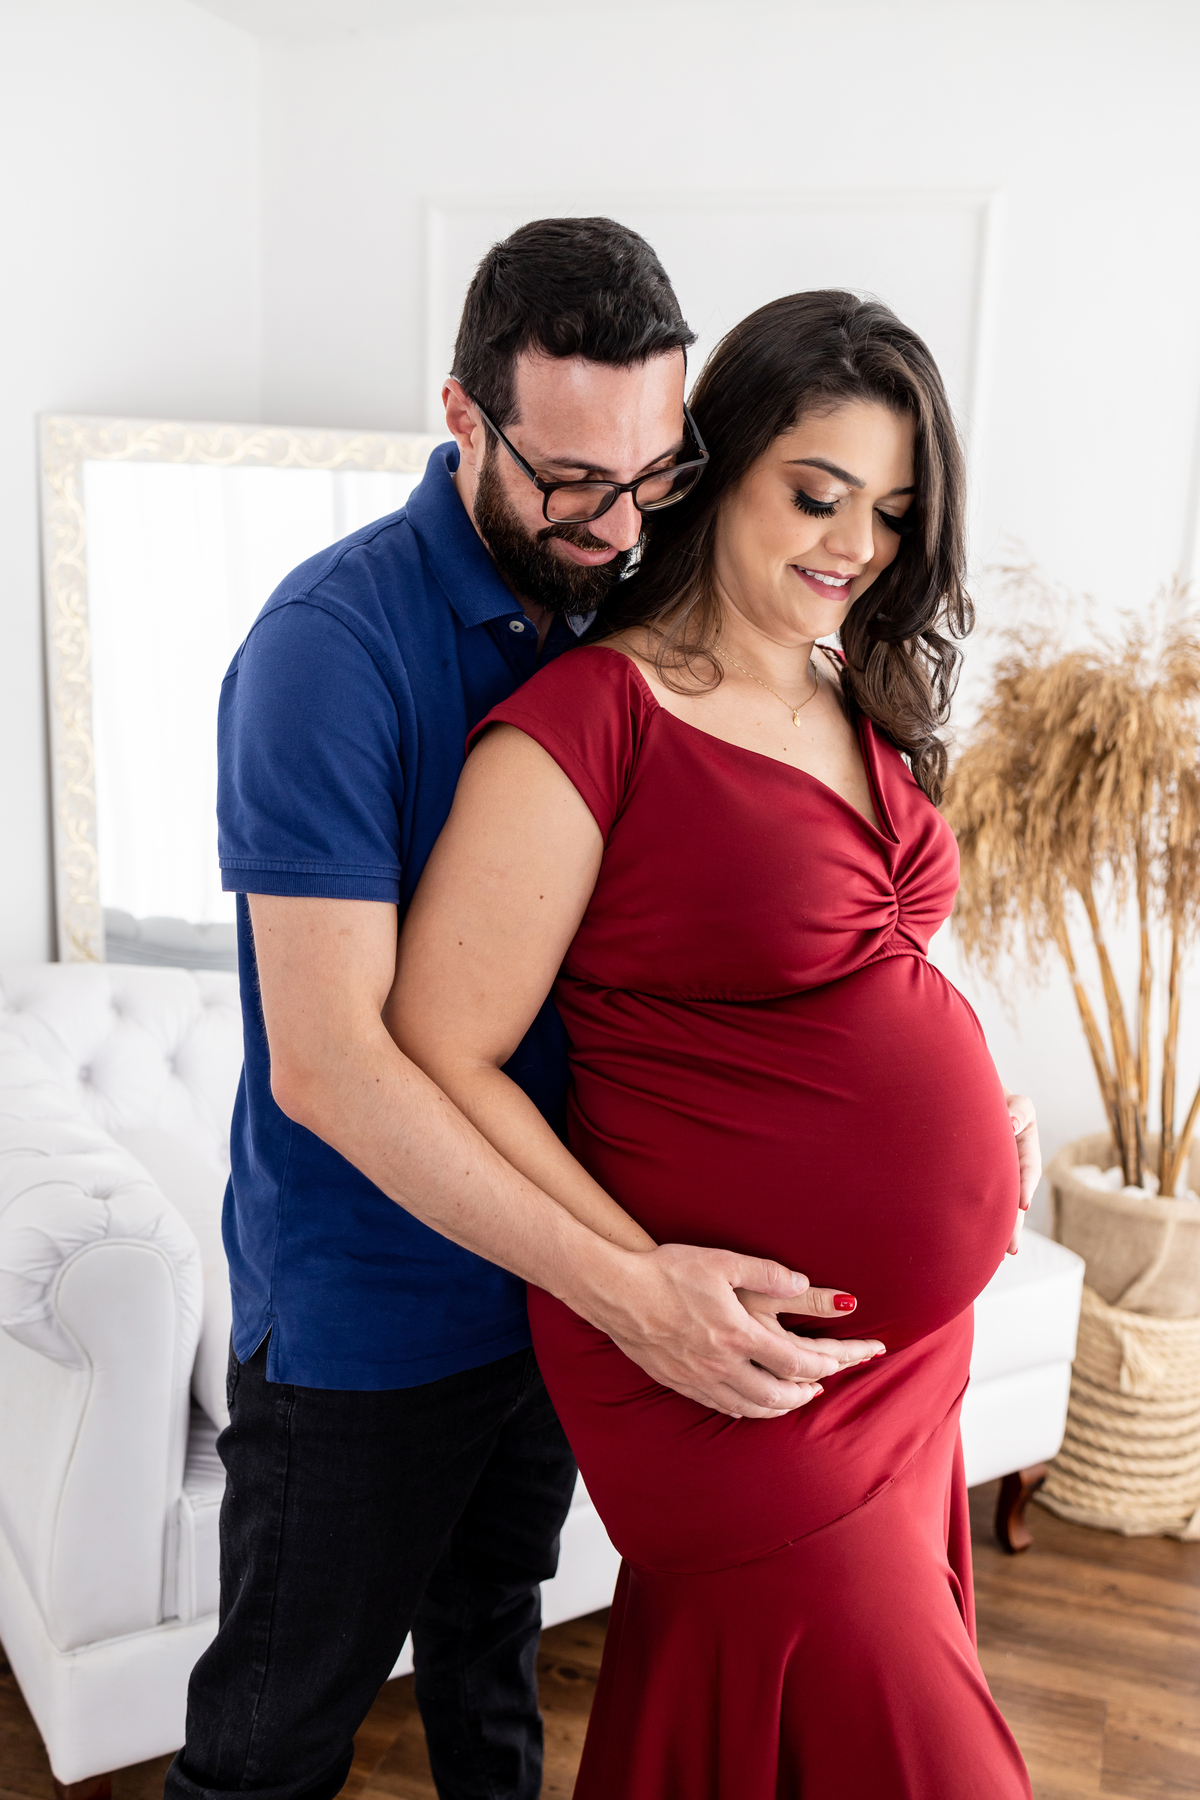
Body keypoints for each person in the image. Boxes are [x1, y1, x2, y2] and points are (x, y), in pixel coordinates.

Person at [165, 224, 877, 1800]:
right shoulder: (326, 652)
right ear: (462, 416)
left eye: (652, 474)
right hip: (368, 1324)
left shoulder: (626, 607)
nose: (617, 526)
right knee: (268, 1751)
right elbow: (332, 1066)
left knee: (493, 1673)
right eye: (570, 483)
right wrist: (628, 1290)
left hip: (551, 1299)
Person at [392, 290, 1042, 1799]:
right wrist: (638, 1288)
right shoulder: (589, 722)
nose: (855, 544)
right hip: (719, 1363)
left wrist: (967, 1099)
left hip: (896, 1359)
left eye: (892, 513)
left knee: (771, 1728)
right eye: (817, 495)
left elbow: (847, 968)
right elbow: (439, 1044)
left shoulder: (841, 683)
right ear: (719, 463)